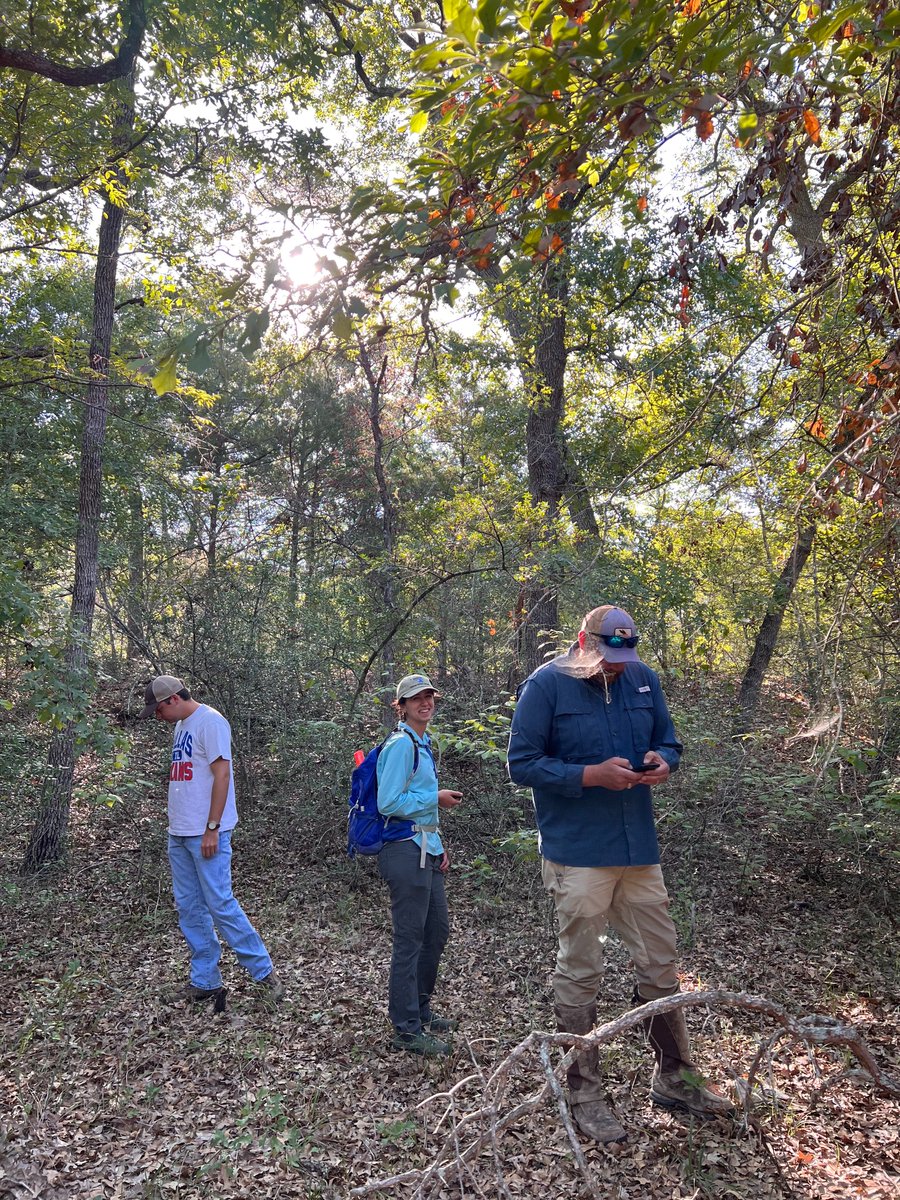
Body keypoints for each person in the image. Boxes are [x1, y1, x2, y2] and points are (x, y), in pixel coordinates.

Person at [506, 606, 732, 1142]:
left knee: (660, 961)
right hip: (578, 852)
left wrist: (664, 761)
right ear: (583, 641)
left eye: (623, 658)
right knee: (581, 968)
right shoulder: (546, 686)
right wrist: (589, 775)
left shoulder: (643, 679)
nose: (615, 668)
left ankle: (675, 1076)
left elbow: (670, 742)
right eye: (607, 657)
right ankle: (582, 1086)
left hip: (638, 850)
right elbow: (521, 763)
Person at [140, 675, 283, 1005]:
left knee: (220, 903)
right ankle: (205, 980)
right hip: (179, 832)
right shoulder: (181, 727)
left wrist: (212, 828)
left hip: (206, 832)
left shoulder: (211, 721)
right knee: (190, 908)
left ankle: (265, 975)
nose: (158, 717)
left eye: (159, 710)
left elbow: (223, 774)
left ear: (174, 699)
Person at [376, 673, 462, 1056]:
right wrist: (435, 797)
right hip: (403, 850)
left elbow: (418, 804)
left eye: (429, 697)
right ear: (403, 706)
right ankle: (407, 1028)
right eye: (416, 699)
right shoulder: (400, 745)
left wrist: (439, 846)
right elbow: (388, 803)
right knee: (409, 940)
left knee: (436, 932)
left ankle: (422, 1009)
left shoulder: (422, 743)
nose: (425, 703)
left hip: (425, 847)